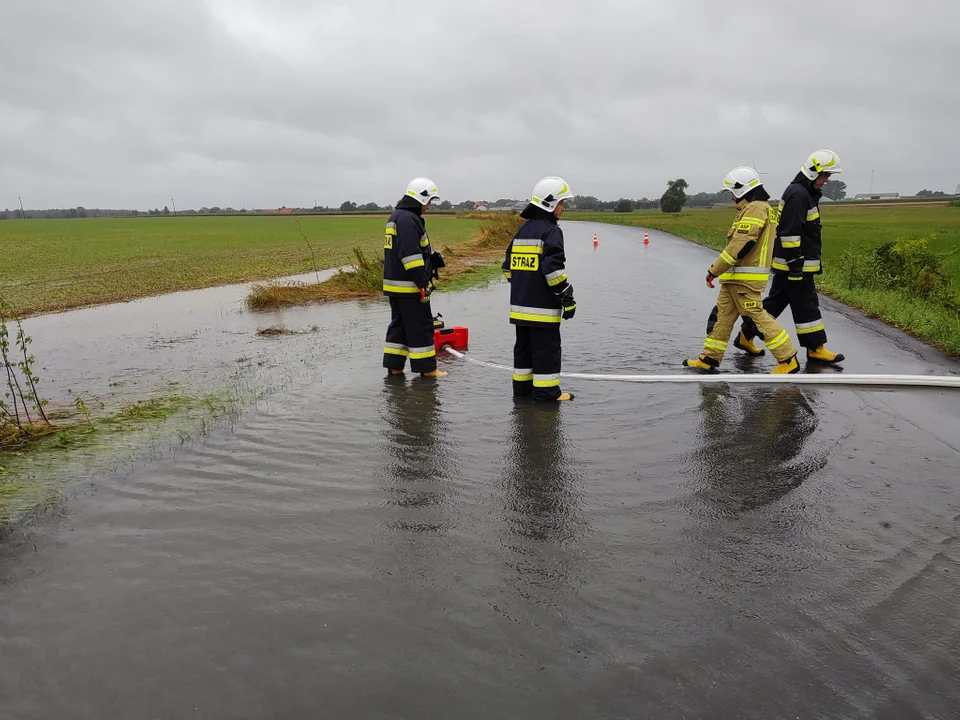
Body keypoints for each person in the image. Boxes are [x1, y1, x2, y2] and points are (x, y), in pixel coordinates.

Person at [683, 166, 800, 374]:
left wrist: (714, 270)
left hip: (745, 280)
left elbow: (740, 246)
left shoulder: (755, 208)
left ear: (741, 189)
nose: (731, 198)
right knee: (722, 318)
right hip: (734, 280)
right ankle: (708, 358)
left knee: (757, 318)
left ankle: (788, 358)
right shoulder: (752, 208)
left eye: (732, 193)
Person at [736, 150, 845, 364]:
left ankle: (746, 335)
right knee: (807, 305)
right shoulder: (798, 194)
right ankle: (815, 348)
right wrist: (796, 265)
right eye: (825, 175)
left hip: (792, 264)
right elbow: (789, 232)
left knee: (775, 304)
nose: (827, 180)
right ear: (813, 172)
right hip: (795, 265)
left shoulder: (803, 192)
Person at [502, 176, 577, 402]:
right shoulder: (552, 232)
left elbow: (507, 268)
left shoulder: (523, 231)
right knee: (546, 351)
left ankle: (523, 392)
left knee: (523, 351)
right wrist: (567, 298)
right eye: (562, 203)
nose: (564, 208)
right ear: (550, 203)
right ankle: (547, 393)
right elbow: (553, 270)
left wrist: (524, 284)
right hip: (542, 310)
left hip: (519, 309)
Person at [382, 177, 447, 378]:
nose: (429, 206)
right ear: (421, 198)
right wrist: (422, 283)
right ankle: (427, 369)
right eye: (429, 201)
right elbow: (410, 256)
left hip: (395, 286)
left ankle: (395, 366)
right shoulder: (409, 220)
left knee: (399, 327)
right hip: (410, 286)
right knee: (421, 325)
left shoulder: (397, 217)